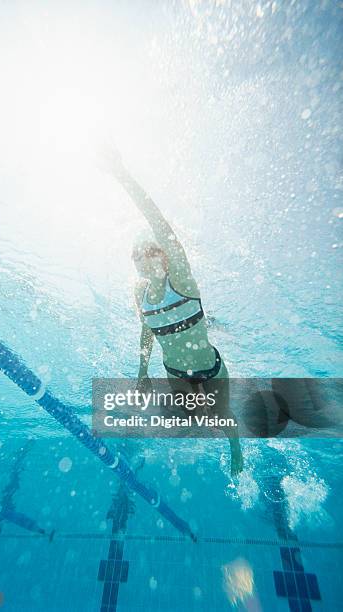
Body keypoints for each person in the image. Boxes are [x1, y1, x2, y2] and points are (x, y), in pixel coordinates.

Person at [102, 147, 243, 476]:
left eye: (150, 251)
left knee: (221, 420)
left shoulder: (181, 281)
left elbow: (159, 223)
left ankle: (235, 446)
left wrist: (120, 173)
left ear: (164, 255)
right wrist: (141, 372)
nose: (143, 258)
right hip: (174, 373)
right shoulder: (142, 295)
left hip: (210, 368)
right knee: (189, 420)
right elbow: (146, 332)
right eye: (136, 255)